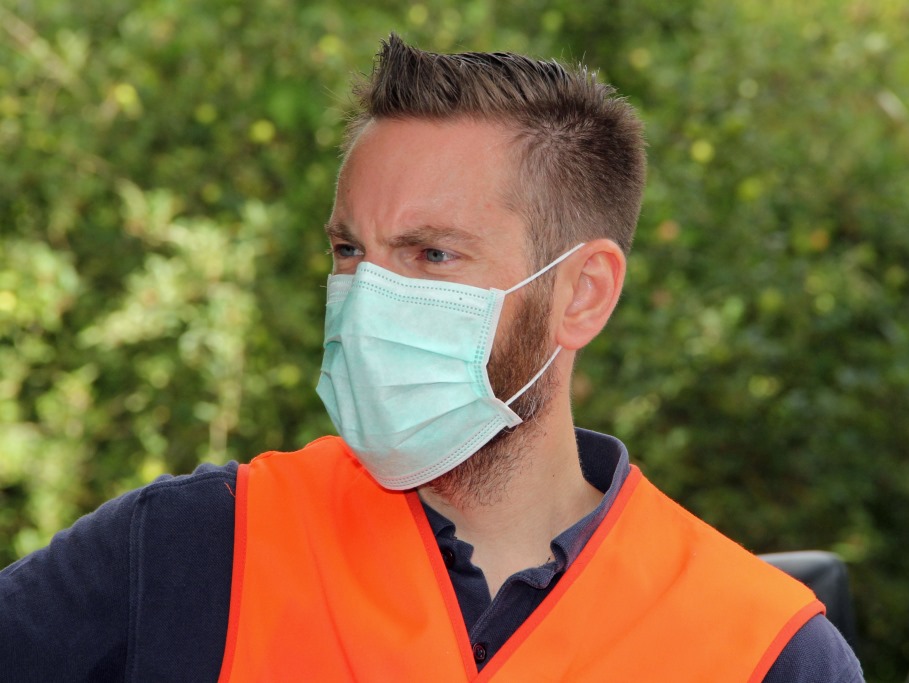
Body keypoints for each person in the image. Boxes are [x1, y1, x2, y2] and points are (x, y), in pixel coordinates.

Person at [0, 35, 863, 682]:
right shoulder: (197, 547)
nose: (366, 300)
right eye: (349, 251)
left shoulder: (762, 650)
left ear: (583, 294)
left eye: (431, 254)